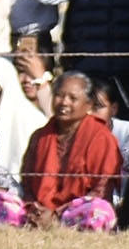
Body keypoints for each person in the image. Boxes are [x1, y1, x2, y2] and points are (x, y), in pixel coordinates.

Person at [15, 69, 122, 229]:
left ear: (88, 104)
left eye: (73, 98)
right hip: (38, 211)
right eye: (59, 95)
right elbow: (27, 180)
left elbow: (102, 189)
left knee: (99, 211)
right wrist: (34, 208)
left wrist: (56, 214)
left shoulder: (101, 137)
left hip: (78, 211)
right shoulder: (40, 136)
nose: (64, 102)